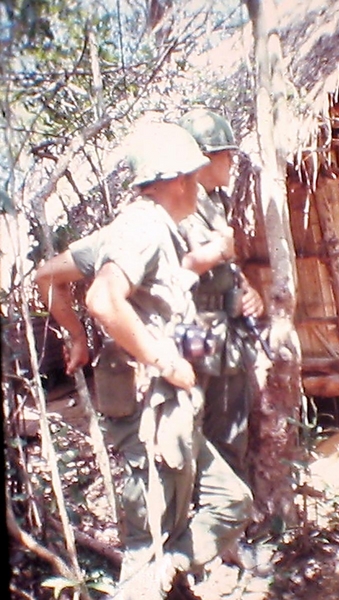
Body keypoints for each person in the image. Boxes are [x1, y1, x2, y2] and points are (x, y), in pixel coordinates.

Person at [35, 121, 252, 600]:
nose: (198, 186)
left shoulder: (143, 227)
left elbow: (48, 276)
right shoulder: (145, 227)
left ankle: (170, 570)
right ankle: (151, 578)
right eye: (194, 178)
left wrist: (77, 341)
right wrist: (165, 361)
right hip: (150, 410)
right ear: (177, 180)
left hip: (168, 408)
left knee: (229, 501)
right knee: (145, 550)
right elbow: (104, 299)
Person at [178, 108, 264, 483]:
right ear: (203, 158)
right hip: (192, 333)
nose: (231, 161)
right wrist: (219, 251)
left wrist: (249, 291)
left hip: (225, 333)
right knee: (192, 433)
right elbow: (171, 265)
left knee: (231, 432)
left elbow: (227, 267)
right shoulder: (176, 203)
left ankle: (230, 524)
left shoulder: (217, 202)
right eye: (225, 154)